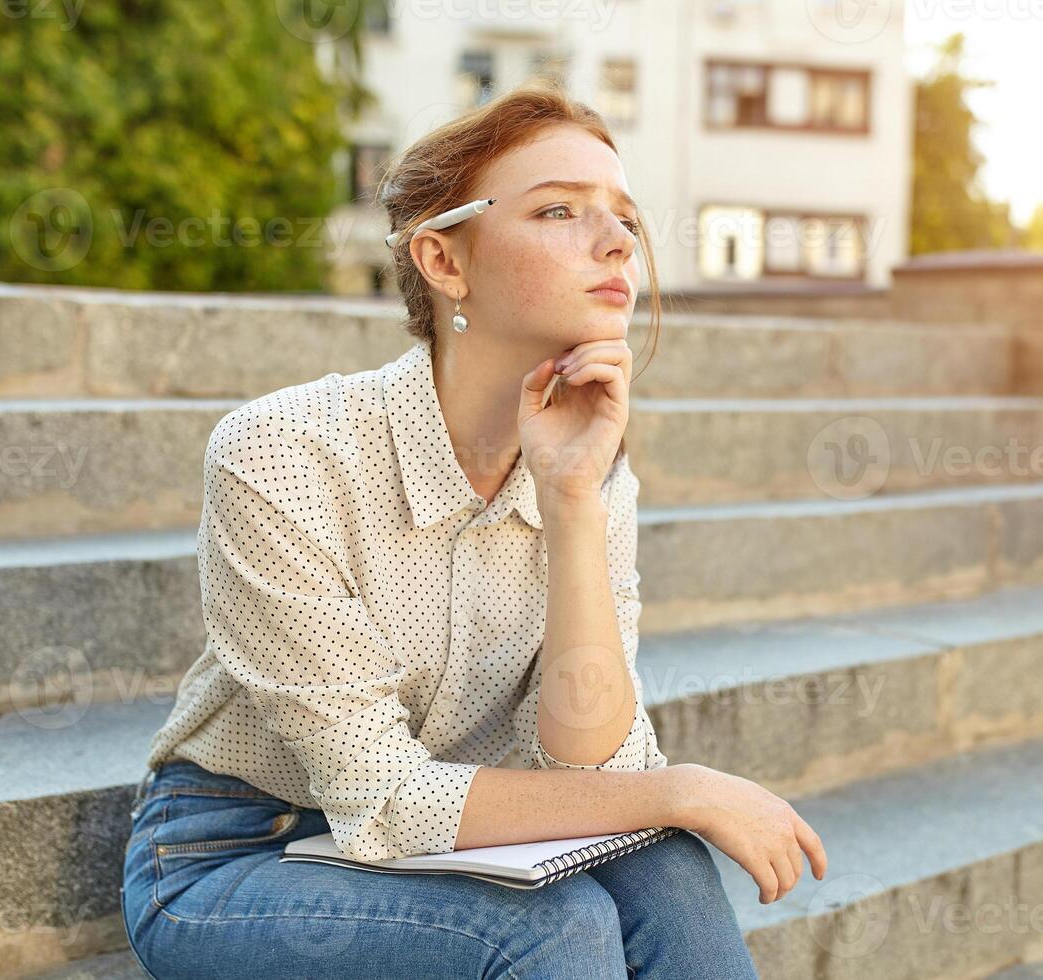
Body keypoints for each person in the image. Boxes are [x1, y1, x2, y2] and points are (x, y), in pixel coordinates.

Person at [121, 80, 826, 979]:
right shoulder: (282, 452)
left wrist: (572, 503)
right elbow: (383, 798)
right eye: (560, 210)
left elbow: (592, 766)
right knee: (552, 927)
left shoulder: (593, 464)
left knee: (672, 874)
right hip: (234, 854)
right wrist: (686, 788)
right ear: (445, 261)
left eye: (626, 219)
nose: (616, 242)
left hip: (463, 841)